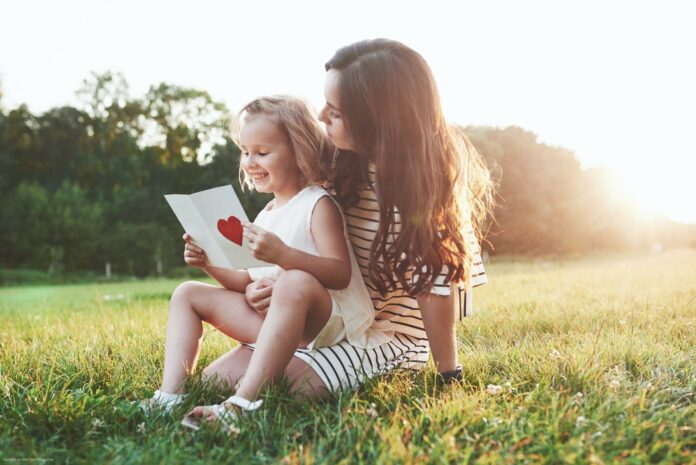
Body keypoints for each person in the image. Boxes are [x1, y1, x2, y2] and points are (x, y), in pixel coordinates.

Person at [185, 38, 492, 427]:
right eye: (324, 104)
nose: (321, 116)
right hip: (331, 321)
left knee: (275, 386)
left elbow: (435, 294)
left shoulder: (427, 195)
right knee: (214, 381)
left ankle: (243, 405)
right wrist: (268, 283)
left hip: (386, 337)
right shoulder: (338, 166)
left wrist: (449, 373)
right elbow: (302, 244)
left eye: (336, 112)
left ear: (379, 119)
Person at [141, 96, 389, 428]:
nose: (249, 162)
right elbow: (246, 281)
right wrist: (207, 265)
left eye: (262, 152)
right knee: (187, 292)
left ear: (298, 150)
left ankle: (241, 403)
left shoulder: (317, 204)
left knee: (293, 281)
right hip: (275, 321)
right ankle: (169, 397)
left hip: (324, 324)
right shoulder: (266, 214)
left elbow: (340, 273)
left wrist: (284, 257)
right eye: (245, 152)